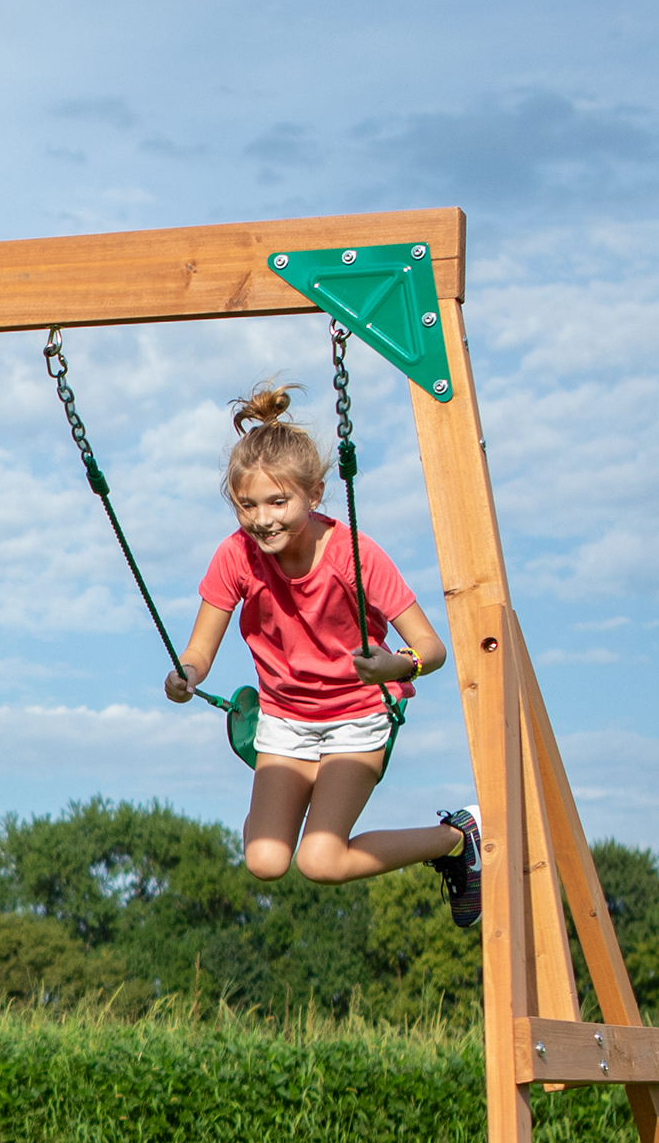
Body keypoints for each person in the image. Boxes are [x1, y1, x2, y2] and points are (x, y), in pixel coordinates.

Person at [165, 383, 482, 923]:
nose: (262, 519)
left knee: (320, 860)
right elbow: (198, 650)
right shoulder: (236, 555)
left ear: (314, 494)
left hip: (356, 717)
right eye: (247, 505)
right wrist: (186, 676)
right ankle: (285, 781)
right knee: (265, 861)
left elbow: (431, 648)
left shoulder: (354, 555)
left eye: (278, 502)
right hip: (285, 720)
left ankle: (456, 838)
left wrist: (397, 664)